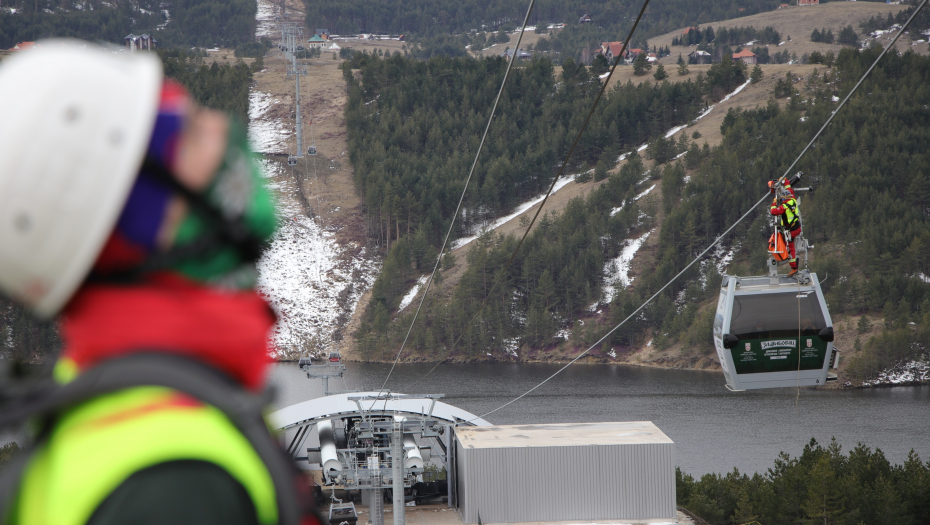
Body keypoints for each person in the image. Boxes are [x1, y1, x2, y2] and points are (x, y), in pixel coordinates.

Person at [0, 41, 319, 524]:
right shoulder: (178, 482)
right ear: (142, 217)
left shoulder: (114, 401)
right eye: (189, 132)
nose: (219, 126)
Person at [768, 179, 801, 278]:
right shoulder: (793, 200)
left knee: (791, 249)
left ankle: (794, 267)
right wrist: (785, 181)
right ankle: (794, 266)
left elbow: (773, 211)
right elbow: (789, 189)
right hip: (797, 227)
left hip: (791, 230)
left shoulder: (784, 207)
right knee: (789, 244)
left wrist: (774, 203)